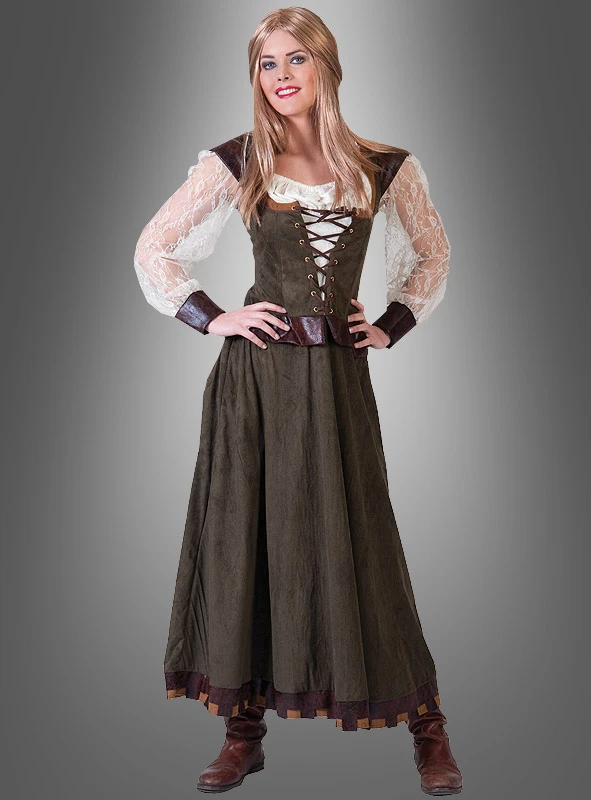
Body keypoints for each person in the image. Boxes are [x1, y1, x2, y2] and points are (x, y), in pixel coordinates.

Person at [133, 6, 462, 796]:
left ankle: (427, 726)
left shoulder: (382, 166)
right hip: (257, 385)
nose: (280, 76)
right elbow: (154, 249)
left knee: (363, 536)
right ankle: (242, 733)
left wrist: (388, 325)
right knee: (247, 538)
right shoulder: (240, 160)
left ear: (325, 66)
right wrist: (215, 317)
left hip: (339, 381)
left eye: (295, 60)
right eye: (266, 63)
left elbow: (432, 254)